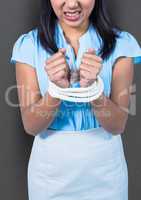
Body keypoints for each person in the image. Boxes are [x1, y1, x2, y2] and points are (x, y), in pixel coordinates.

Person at [10, 0, 141, 199]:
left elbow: (117, 125)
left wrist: (94, 91)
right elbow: (31, 126)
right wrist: (56, 91)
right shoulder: (29, 45)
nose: (71, 4)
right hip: (50, 176)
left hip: (106, 175)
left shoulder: (121, 44)